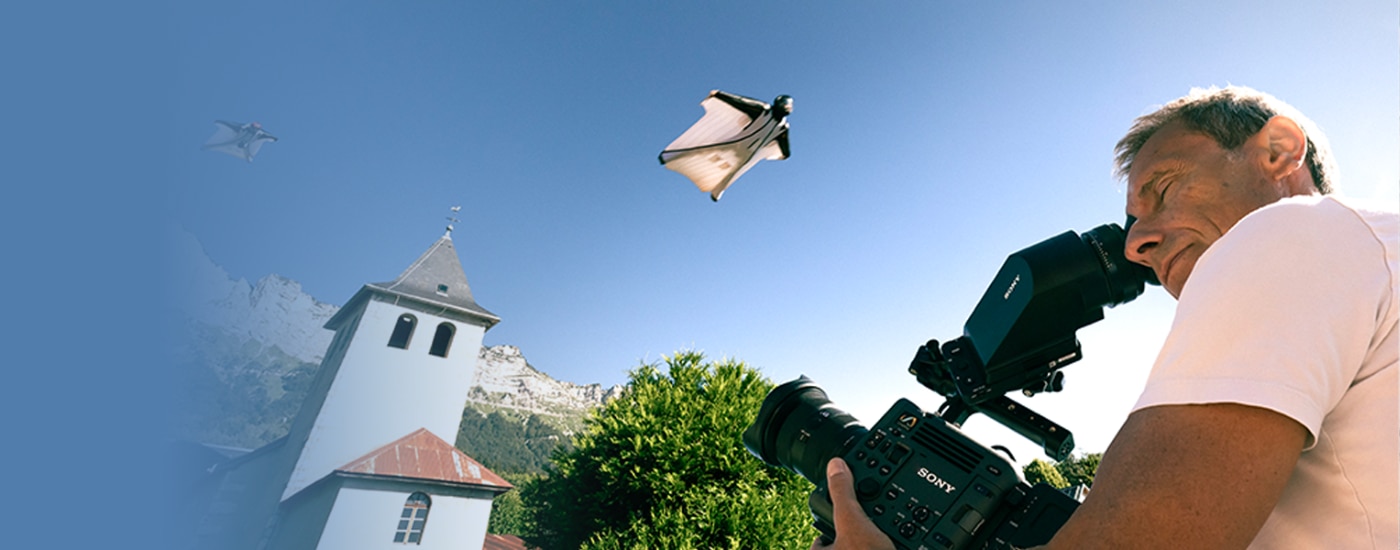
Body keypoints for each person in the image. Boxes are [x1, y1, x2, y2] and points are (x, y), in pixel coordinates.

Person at [814, 86, 1398, 549]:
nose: (1134, 245)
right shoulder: (1371, 250)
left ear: (1278, 151)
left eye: (1163, 189)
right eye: (1130, 223)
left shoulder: (1288, 231)